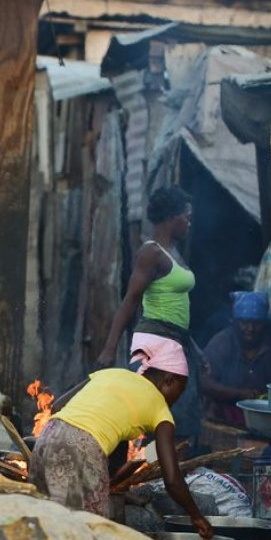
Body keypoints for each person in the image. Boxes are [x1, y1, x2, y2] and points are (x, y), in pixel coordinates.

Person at [31, 336, 214, 540]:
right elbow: (172, 480)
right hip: (80, 451)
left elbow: (57, 406)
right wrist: (197, 517)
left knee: (44, 525)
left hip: (45, 440)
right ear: (169, 380)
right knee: (85, 537)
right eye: (179, 391)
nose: (176, 400)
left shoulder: (113, 374)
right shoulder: (160, 410)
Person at [96, 186, 203, 446]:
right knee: (145, 419)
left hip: (178, 342)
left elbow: (178, 308)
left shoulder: (175, 252)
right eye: (186, 217)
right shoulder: (151, 253)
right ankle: (144, 478)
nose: (189, 223)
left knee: (181, 422)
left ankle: (163, 479)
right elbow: (131, 300)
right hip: (156, 344)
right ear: (171, 217)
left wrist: (196, 350)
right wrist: (110, 348)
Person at [201, 291, 271, 427]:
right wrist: (240, 394)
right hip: (222, 416)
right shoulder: (222, 342)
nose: (250, 329)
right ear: (235, 322)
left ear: (264, 324)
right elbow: (204, 382)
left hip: (264, 418)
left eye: (256, 323)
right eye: (244, 322)